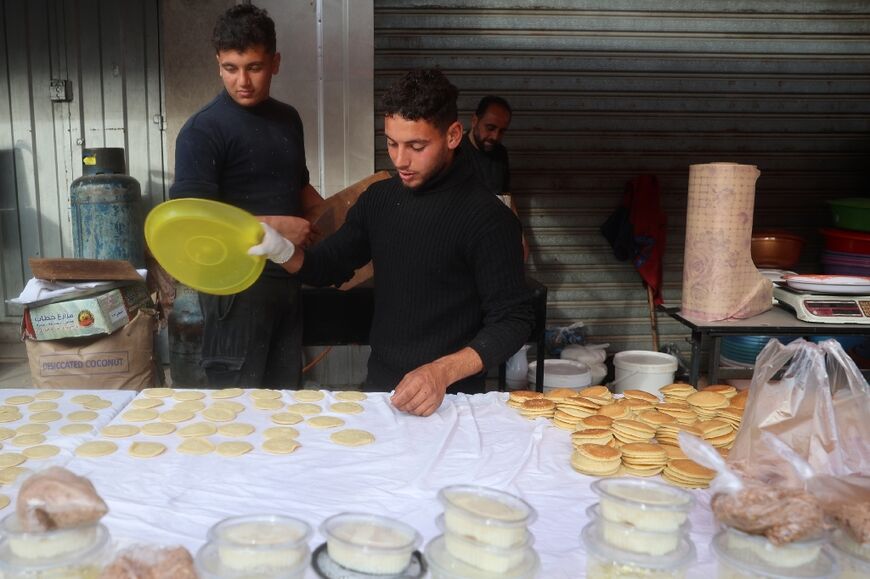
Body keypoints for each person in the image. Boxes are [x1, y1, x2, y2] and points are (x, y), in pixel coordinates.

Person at [249, 69, 535, 416]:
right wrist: (281, 250)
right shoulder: (380, 201)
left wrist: (442, 372)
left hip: (454, 402)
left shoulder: (488, 219)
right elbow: (327, 265)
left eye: (416, 146)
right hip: (381, 391)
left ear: (453, 135)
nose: (400, 160)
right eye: (392, 143)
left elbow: (513, 320)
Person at [169, 4, 322, 389]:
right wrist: (276, 227)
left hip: (287, 279)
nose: (242, 81)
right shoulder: (203, 131)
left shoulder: (288, 118)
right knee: (237, 407)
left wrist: (336, 213)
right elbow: (194, 227)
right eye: (230, 68)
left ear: (275, 62)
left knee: (286, 401)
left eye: (253, 67)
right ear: (218, 63)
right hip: (235, 293)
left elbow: (298, 186)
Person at [462, 96, 529, 260]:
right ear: (474, 120)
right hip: (464, 243)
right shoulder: (455, 152)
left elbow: (506, 196)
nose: (495, 136)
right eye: (490, 128)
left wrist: (520, 236)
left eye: (502, 130)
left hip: (493, 240)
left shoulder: (500, 153)